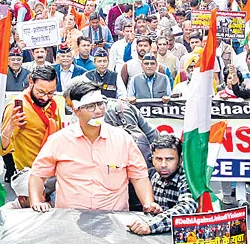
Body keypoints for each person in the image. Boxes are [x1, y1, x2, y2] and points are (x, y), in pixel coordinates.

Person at [29, 81, 162, 213]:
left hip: (114, 219)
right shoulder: (59, 140)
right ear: (76, 111)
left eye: (100, 104)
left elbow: (139, 176)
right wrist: (36, 202)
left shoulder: (123, 139)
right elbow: (38, 174)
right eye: (90, 106)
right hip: (70, 219)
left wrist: (148, 203)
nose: (98, 111)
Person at [127, 135, 197, 235]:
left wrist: (150, 225)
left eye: (169, 159)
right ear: (152, 159)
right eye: (159, 159)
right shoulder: (153, 176)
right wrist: (153, 208)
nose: (163, 164)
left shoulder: (188, 179)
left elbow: (187, 207)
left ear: (180, 160)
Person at [0, 65, 61, 171]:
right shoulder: (17, 107)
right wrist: (10, 127)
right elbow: (2, 149)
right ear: (31, 82)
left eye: (50, 93)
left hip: (52, 169)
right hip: (28, 173)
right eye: (40, 92)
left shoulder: (53, 105)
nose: (45, 97)